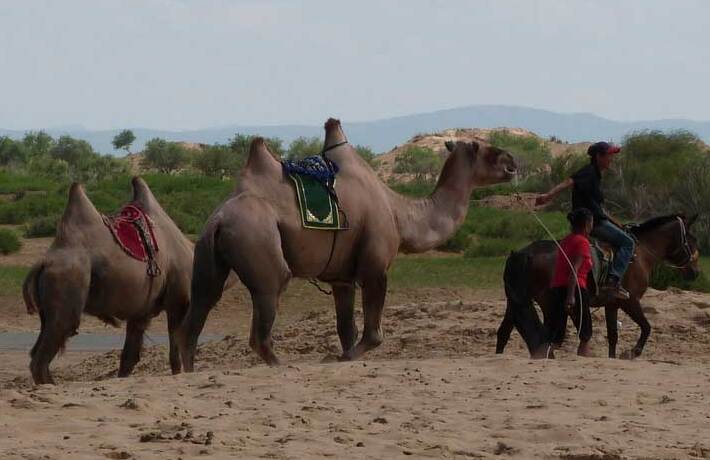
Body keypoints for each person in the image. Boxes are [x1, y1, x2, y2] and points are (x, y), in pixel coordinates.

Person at [536, 141, 634, 300]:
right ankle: (613, 281)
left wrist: (616, 223)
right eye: (609, 155)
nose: (611, 159)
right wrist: (548, 195)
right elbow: (569, 181)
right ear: (598, 156)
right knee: (628, 243)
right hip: (592, 223)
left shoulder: (596, 175)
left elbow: (598, 207)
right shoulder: (589, 172)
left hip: (596, 220)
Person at [546, 208, 594, 357]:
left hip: (557, 287)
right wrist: (570, 296)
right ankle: (584, 358)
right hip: (575, 288)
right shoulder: (583, 242)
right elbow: (574, 270)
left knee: (556, 332)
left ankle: (544, 356)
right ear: (586, 224)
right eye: (591, 223)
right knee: (585, 332)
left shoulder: (565, 240)